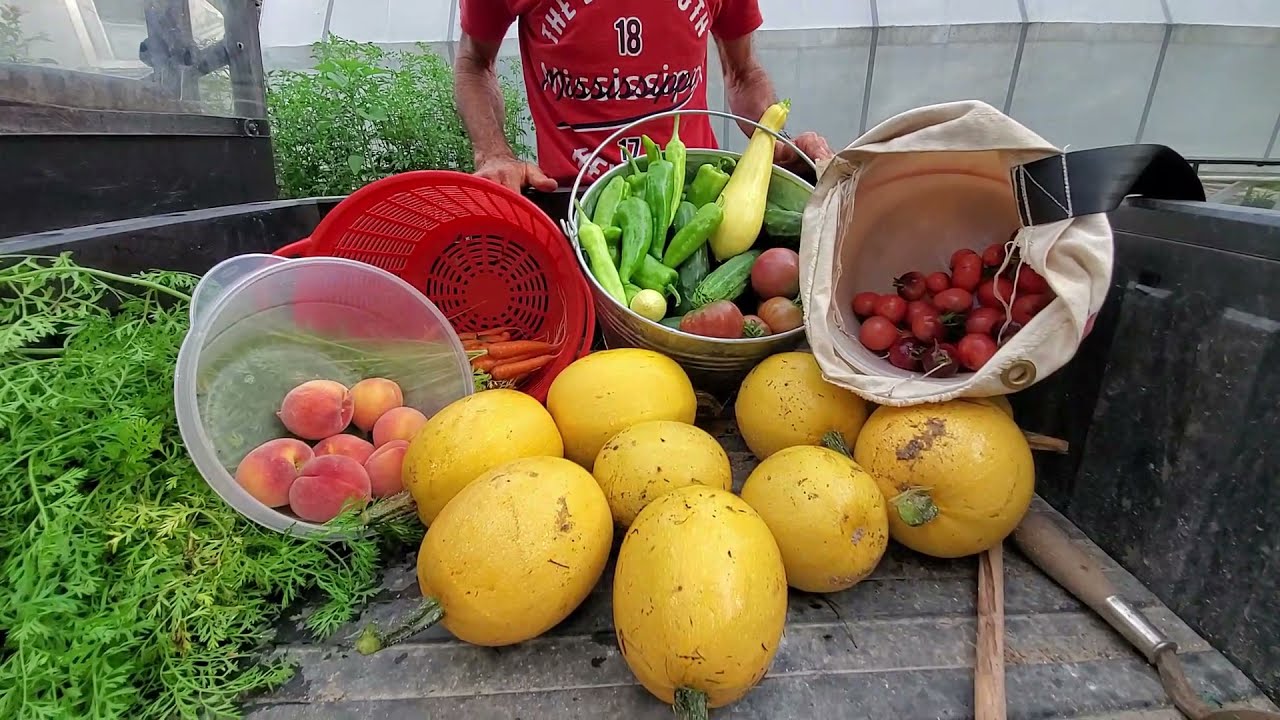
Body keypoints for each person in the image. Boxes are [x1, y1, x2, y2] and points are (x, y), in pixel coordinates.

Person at [454, 0, 834, 192]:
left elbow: (743, 72)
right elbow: (475, 62)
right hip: (576, 199)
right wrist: (494, 154)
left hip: (698, 190)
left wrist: (774, 141)